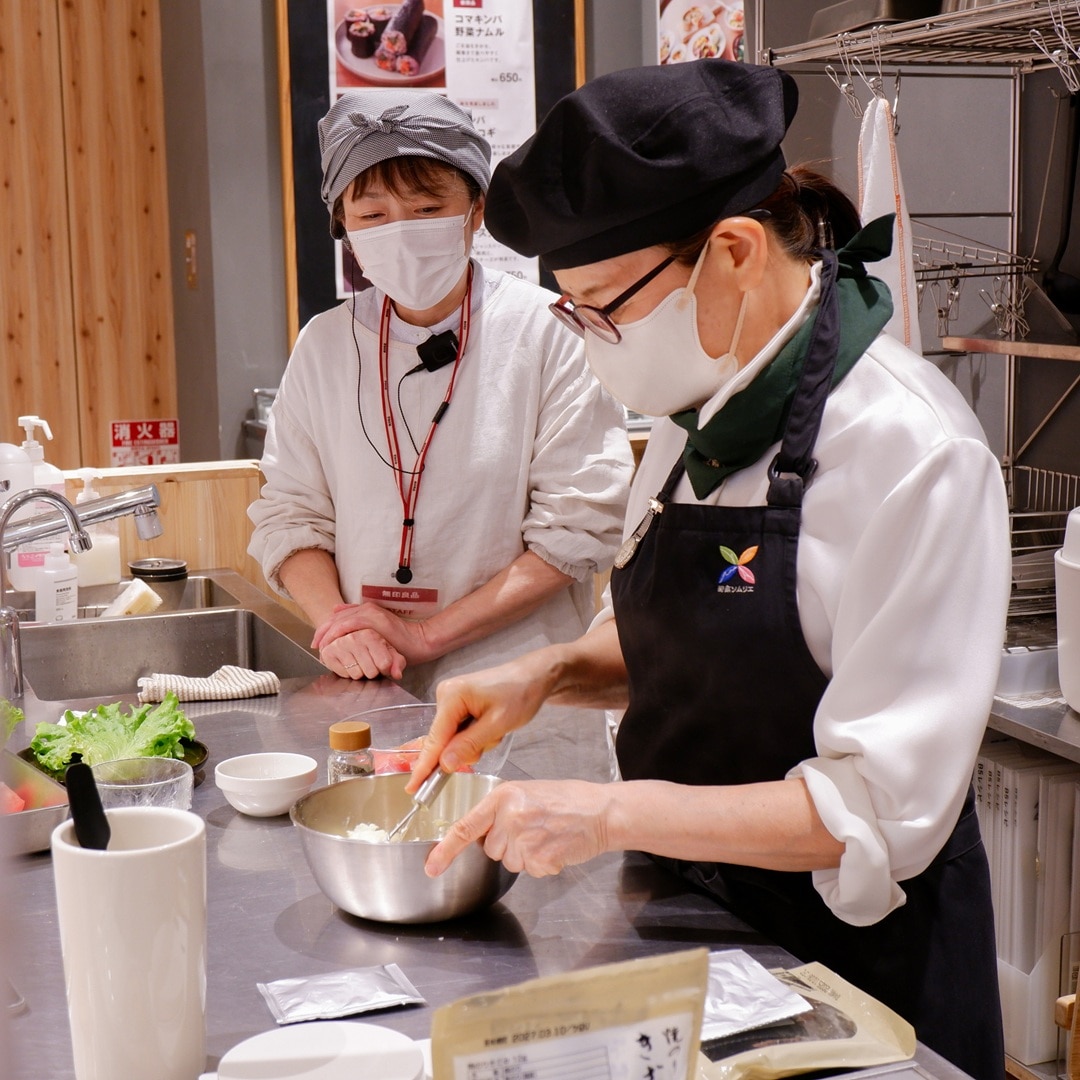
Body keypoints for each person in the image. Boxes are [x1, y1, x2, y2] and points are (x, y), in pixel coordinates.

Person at [409, 61, 1011, 1079]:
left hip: (860, 981)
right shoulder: (704, 403)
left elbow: (873, 812)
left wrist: (602, 815)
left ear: (731, 252)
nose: (596, 344)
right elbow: (705, 642)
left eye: (604, 308)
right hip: (699, 933)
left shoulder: (911, 455)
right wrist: (551, 672)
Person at [248, 90, 634, 705]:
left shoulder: (547, 330)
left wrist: (426, 635)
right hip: (368, 682)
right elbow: (290, 515)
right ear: (341, 222)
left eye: (428, 208)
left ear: (475, 210)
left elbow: (577, 527)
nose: (400, 233)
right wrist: (339, 626)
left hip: (516, 688)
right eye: (372, 216)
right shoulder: (324, 346)